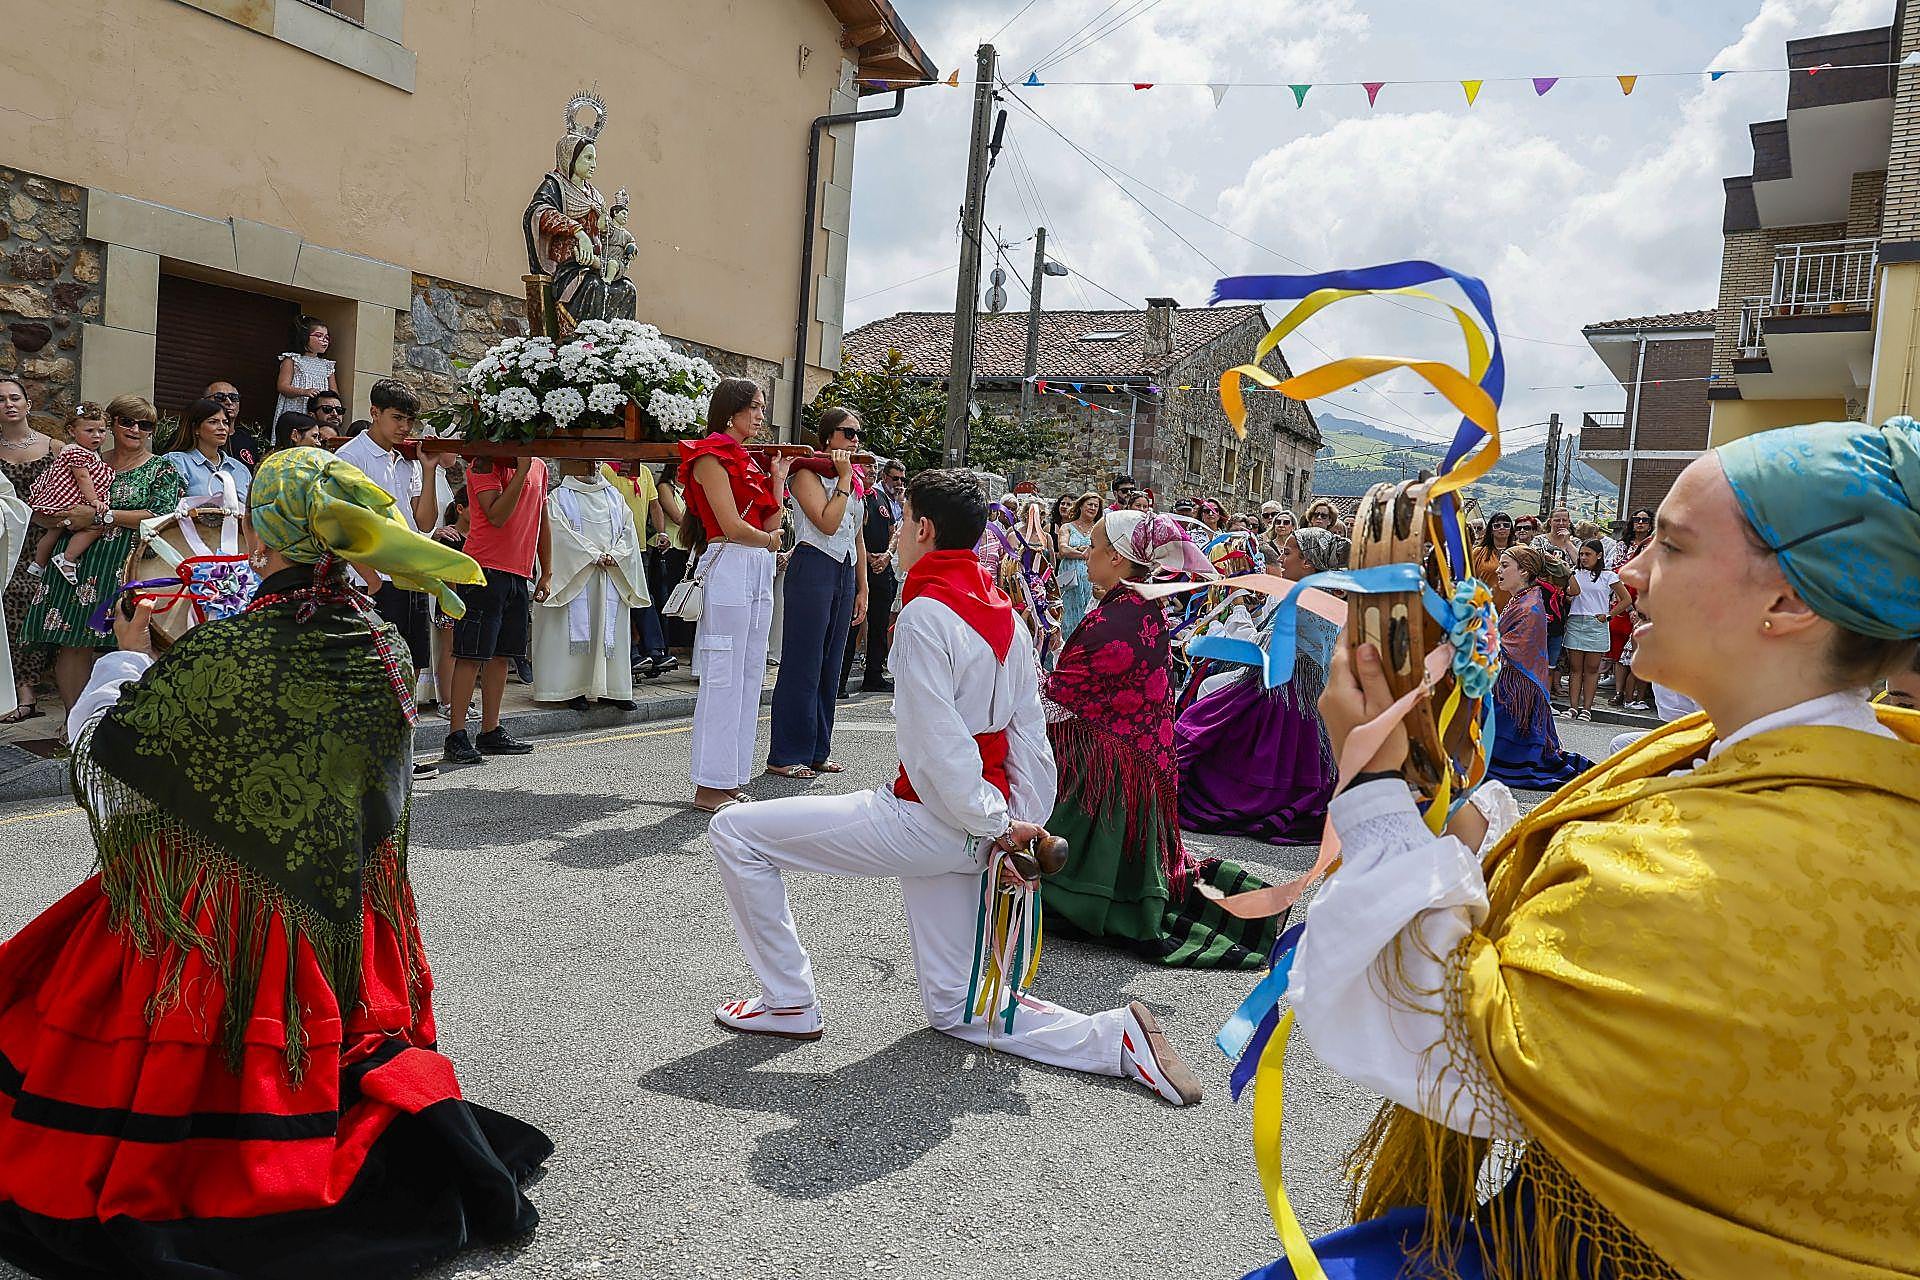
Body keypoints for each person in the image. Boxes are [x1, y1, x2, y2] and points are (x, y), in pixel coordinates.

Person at [1274, 418, 1920, 1280]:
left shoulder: (1755, 853)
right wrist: (1449, 810)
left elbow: (1475, 1049)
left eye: (1672, 547)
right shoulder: (1805, 763)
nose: (1628, 571)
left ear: (1790, 605)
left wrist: (1375, 800)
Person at [0, 446, 548, 1279]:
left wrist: (128, 657)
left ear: (261, 538)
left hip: (224, 909)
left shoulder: (230, 651)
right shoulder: (381, 641)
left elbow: (110, 752)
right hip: (341, 899)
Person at [704, 469, 1202, 1104]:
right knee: (955, 1006)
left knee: (735, 831)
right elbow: (1029, 740)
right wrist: (1019, 822)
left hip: (933, 821)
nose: (895, 536)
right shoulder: (1007, 614)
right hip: (981, 825)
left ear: (924, 528)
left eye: (903, 522)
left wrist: (999, 826)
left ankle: (788, 1000)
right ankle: (1113, 1039)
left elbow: (936, 747)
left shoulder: (924, 614)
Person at [1043, 511, 1275, 968]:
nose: (1086, 556)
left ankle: (1087, 900)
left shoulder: (1114, 619)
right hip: (1137, 757)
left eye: (1093, 547)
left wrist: (1017, 671)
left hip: (1112, 763)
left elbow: (1060, 697)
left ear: (1116, 557)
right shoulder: (1137, 607)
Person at [1177, 527, 1346, 847]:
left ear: (1308, 563)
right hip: (1305, 701)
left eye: (1288, 553)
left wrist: (1236, 605)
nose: (1281, 558)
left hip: (1279, 695)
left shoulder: (1301, 601)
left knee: (1205, 721)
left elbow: (1259, 649)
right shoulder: (1323, 597)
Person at [20, 395, 183, 716]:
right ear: (112, 424)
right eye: (127, 422)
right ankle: (75, 720)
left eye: (145, 425)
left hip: (129, 564)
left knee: (132, 641)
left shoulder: (161, 467)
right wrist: (61, 517)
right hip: (76, 563)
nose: (136, 430)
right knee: (73, 642)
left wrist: (102, 516)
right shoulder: (86, 460)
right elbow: (50, 498)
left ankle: (123, 720)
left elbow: (160, 515)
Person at [682, 378, 790, 813]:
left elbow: (770, 523)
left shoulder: (746, 460)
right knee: (724, 674)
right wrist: (769, 543)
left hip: (755, 565)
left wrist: (777, 481)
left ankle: (729, 777)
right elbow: (730, 525)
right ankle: (709, 783)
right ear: (732, 411)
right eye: (756, 407)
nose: (762, 416)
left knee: (749, 674)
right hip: (729, 562)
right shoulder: (709, 456)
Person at [336, 379, 442, 770]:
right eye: (397, 418)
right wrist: (373, 580)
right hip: (374, 580)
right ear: (375, 413)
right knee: (376, 667)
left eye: (409, 421)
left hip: (409, 574)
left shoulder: (407, 460)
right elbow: (342, 527)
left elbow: (424, 523)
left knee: (410, 663)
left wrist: (428, 471)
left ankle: (402, 755)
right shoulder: (350, 458)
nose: (404, 427)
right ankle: (372, 757)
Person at [766, 408, 867, 780]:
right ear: (828, 437)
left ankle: (817, 750)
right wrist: (844, 478)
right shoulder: (806, 473)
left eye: (858, 434)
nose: (855, 440)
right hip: (813, 564)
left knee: (831, 664)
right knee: (803, 662)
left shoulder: (852, 478)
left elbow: (856, 534)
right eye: (847, 433)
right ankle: (786, 752)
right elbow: (826, 522)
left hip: (844, 568)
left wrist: (863, 588)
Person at [444, 450, 548, 767]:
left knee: (502, 654)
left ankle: (490, 729)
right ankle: (456, 734)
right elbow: (497, 515)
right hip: (483, 568)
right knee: (471, 654)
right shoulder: (484, 464)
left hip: (518, 571)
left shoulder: (539, 466)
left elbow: (542, 519)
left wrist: (546, 570)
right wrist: (521, 471)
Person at [533, 459, 646, 710]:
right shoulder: (560, 497)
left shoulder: (614, 496)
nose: (594, 467)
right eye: (588, 462)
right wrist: (592, 555)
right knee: (570, 630)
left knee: (609, 632)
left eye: (597, 462)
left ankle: (612, 689)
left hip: (610, 573)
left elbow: (628, 531)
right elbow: (558, 534)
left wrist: (616, 555)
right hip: (576, 576)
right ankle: (571, 689)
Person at [1487, 546, 1592, 788]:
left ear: (1524, 571)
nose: (1498, 570)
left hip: (1516, 689)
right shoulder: (1522, 598)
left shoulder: (1529, 605)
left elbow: (1508, 647)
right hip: (1512, 680)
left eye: (1505, 566)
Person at [0, 377, 57, 723]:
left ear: (28, 404)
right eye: (1, 399)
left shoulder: (55, 447)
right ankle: (22, 692)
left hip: (48, 540)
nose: (8, 404)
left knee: (40, 606)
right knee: (11, 603)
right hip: (8, 540)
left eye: (14, 398)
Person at [600, 460, 677, 679]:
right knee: (620, 599)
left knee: (643, 598)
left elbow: (654, 505)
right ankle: (632, 652)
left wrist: (662, 532)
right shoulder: (606, 470)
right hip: (616, 547)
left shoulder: (643, 471)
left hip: (639, 548)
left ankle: (654, 651)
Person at [25, 402, 113, 585]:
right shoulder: (76, 452)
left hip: (65, 498)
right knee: (95, 527)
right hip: (68, 498)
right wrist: (94, 500)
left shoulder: (88, 452)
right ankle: (67, 558)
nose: (97, 436)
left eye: (102, 431)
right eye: (89, 431)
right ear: (72, 431)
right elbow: (82, 478)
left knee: (54, 531)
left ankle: (38, 564)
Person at [839, 454, 905, 697]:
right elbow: (850, 533)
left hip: (881, 571)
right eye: (867, 465)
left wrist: (887, 555)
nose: (871, 470)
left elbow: (893, 532)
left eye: (874, 466)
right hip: (859, 570)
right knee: (852, 626)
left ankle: (874, 677)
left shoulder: (881, 498)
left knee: (878, 626)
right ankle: (839, 681)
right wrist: (867, 557)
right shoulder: (854, 495)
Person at [1560, 539, 1626, 720]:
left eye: (1587, 554)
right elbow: (1569, 595)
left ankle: (1587, 709)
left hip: (1597, 624)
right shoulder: (1574, 573)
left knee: (1591, 669)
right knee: (1575, 669)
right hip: (1576, 622)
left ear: (1599, 555)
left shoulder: (1608, 575)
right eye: (1581, 554)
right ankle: (1573, 708)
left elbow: (1626, 599)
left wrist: (1609, 615)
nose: (1583, 557)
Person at [163, 396, 252, 504]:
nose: (222, 427)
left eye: (225, 422)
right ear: (196, 428)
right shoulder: (177, 462)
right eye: (213, 422)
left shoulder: (240, 469)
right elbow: (166, 507)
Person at [275, 314, 338, 428]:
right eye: (319, 336)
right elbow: (282, 386)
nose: (324, 340)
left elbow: (334, 392)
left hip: (317, 411)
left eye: (327, 337)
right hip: (296, 407)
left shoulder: (327, 365)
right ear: (304, 337)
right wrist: (303, 392)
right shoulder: (293, 359)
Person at [1054, 490, 1100, 639]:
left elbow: (1101, 551)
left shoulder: (1099, 529)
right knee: (1068, 616)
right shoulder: (1067, 527)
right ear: (1080, 506)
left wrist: (1078, 550)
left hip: (1091, 579)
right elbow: (1063, 549)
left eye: (1096, 506)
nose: (1093, 508)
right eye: (1090, 504)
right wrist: (1084, 553)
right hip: (1069, 580)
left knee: (1090, 616)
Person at [202, 380, 264, 472]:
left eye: (234, 398)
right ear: (203, 402)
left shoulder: (247, 440)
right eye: (220, 397)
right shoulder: (198, 438)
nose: (229, 402)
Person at [1470, 511, 1517, 610]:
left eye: (1506, 525)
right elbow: (1470, 579)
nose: (1502, 528)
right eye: (1497, 526)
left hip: (1515, 608)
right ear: (1491, 530)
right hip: (1485, 608)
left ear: (1511, 530)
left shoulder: (1521, 550)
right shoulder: (1478, 552)